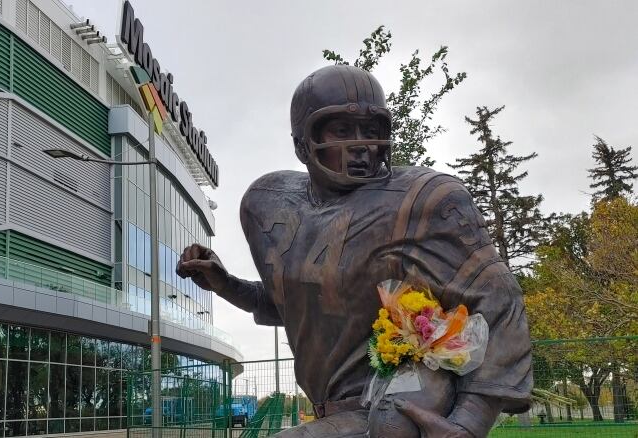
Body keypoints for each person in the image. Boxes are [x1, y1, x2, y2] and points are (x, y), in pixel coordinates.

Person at [177, 65, 532, 437]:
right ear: (303, 142)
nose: (361, 144)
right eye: (342, 130)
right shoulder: (272, 203)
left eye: (371, 129)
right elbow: (304, 304)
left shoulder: (422, 199)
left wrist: (469, 423)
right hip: (331, 412)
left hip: (389, 410)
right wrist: (227, 284)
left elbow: (500, 302)